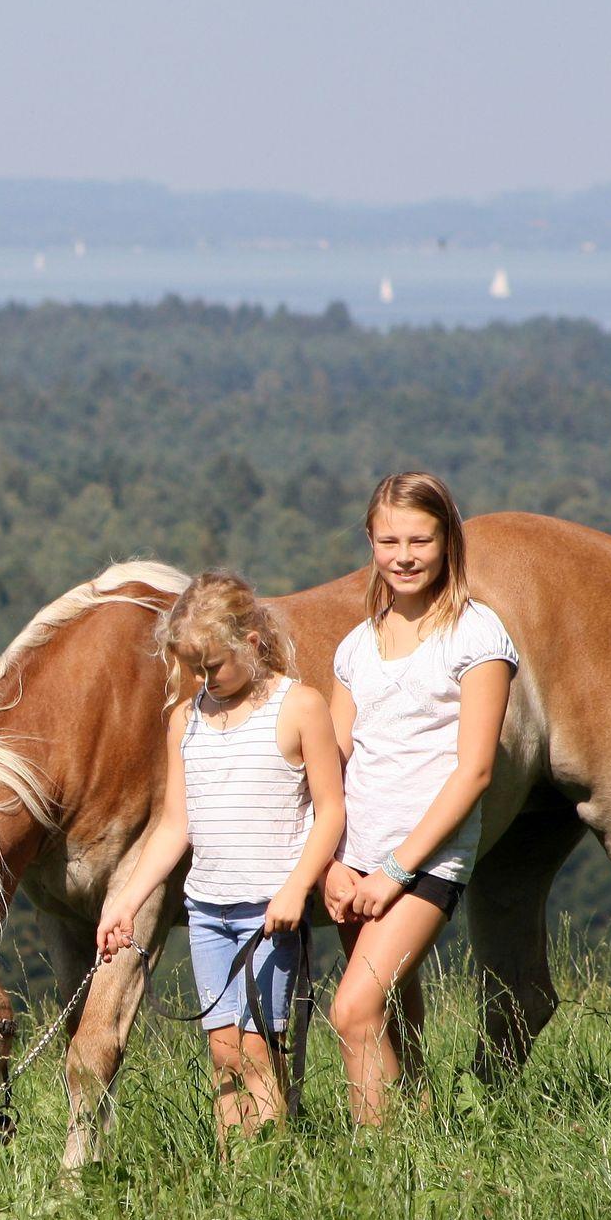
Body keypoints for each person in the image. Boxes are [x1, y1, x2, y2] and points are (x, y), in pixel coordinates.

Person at [98, 572, 345, 1146]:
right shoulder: (185, 721)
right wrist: (126, 903)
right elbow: (174, 826)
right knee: (224, 1052)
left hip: (269, 913)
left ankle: (271, 1170)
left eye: (211, 666)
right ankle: (233, 1170)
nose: (201, 680)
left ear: (251, 643)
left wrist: (296, 889)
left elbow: (331, 812)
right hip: (208, 913)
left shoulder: (299, 706)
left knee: (261, 1049)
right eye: (191, 668)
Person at [322, 471, 517, 1124]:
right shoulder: (356, 646)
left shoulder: (477, 636)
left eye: (420, 541)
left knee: (354, 1011)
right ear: (371, 544)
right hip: (355, 860)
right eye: (389, 541)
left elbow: (475, 772)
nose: (403, 556)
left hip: (425, 860)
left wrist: (396, 869)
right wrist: (330, 863)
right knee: (394, 1019)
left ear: (448, 542)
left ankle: (374, 1169)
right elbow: (334, 762)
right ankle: (418, 1144)